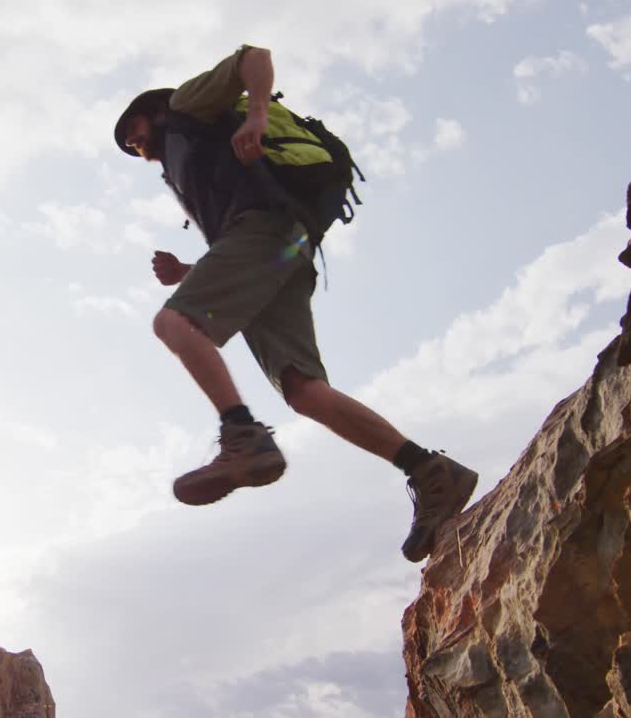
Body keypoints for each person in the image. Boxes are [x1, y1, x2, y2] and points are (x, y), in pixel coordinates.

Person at [112, 45, 477, 562]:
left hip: (270, 230)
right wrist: (190, 271)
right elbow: (236, 246)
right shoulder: (185, 162)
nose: (132, 144)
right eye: (128, 146)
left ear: (152, 109)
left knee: (174, 322)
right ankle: (429, 470)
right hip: (281, 247)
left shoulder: (187, 105)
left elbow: (253, 57)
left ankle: (242, 433)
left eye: (132, 130)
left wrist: (257, 116)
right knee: (304, 391)